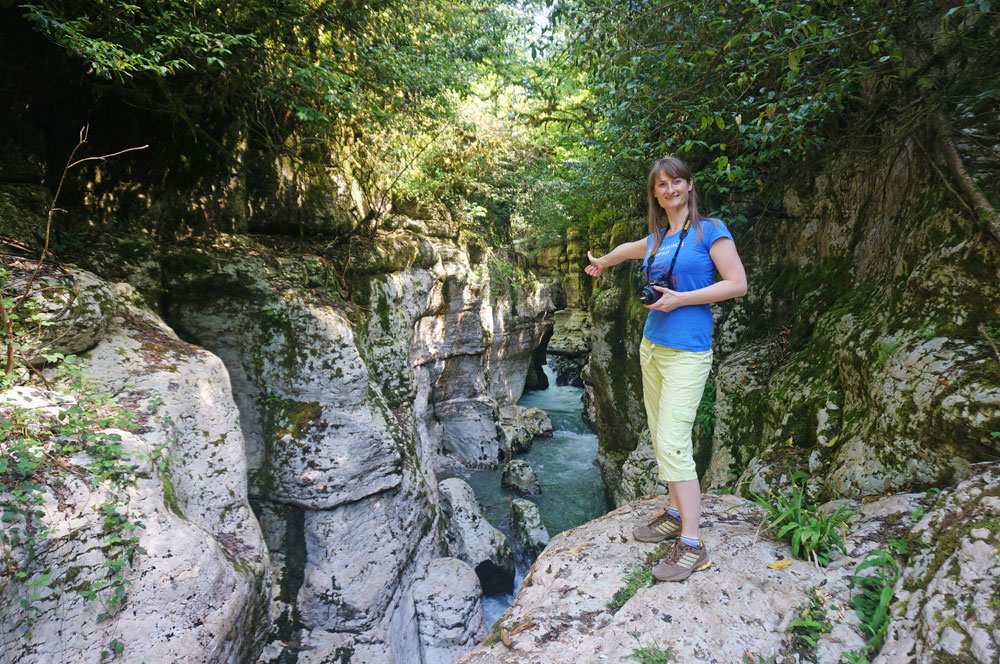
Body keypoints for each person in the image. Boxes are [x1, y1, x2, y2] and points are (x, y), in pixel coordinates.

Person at [584, 156, 747, 582]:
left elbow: (737, 283)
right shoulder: (659, 238)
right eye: (661, 185)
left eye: (676, 181)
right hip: (652, 347)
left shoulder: (710, 230)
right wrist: (603, 261)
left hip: (687, 351)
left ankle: (692, 544)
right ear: (655, 194)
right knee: (660, 435)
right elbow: (628, 249)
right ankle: (675, 514)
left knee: (674, 443)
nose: (670, 189)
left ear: (689, 185)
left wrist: (681, 299)